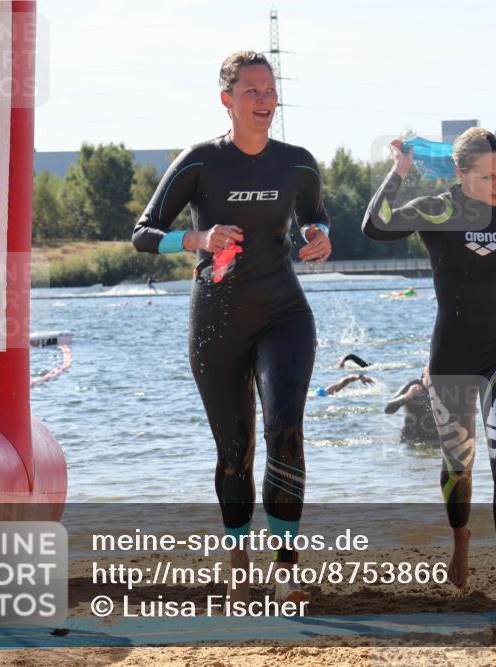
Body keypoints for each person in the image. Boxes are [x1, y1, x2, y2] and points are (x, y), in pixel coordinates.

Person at [132, 50, 331, 605]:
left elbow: (315, 213)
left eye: (270, 90)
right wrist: (197, 239)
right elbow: (143, 234)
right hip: (217, 320)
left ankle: (287, 564)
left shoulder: (298, 164)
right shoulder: (200, 162)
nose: (265, 100)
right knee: (234, 449)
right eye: (252, 91)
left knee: (285, 434)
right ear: (228, 99)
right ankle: (240, 558)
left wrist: (319, 235)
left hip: (283, 313)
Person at [362, 128, 496, 605]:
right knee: (458, 466)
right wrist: (399, 172)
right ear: (460, 173)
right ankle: (461, 539)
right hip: (450, 356)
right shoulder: (438, 210)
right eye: (487, 175)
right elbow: (375, 224)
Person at [385, 370, 440, 446]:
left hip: (435, 441)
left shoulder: (443, 388)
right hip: (412, 441)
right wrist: (407, 396)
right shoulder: (411, 386)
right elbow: (388, 409)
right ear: (424, 374)